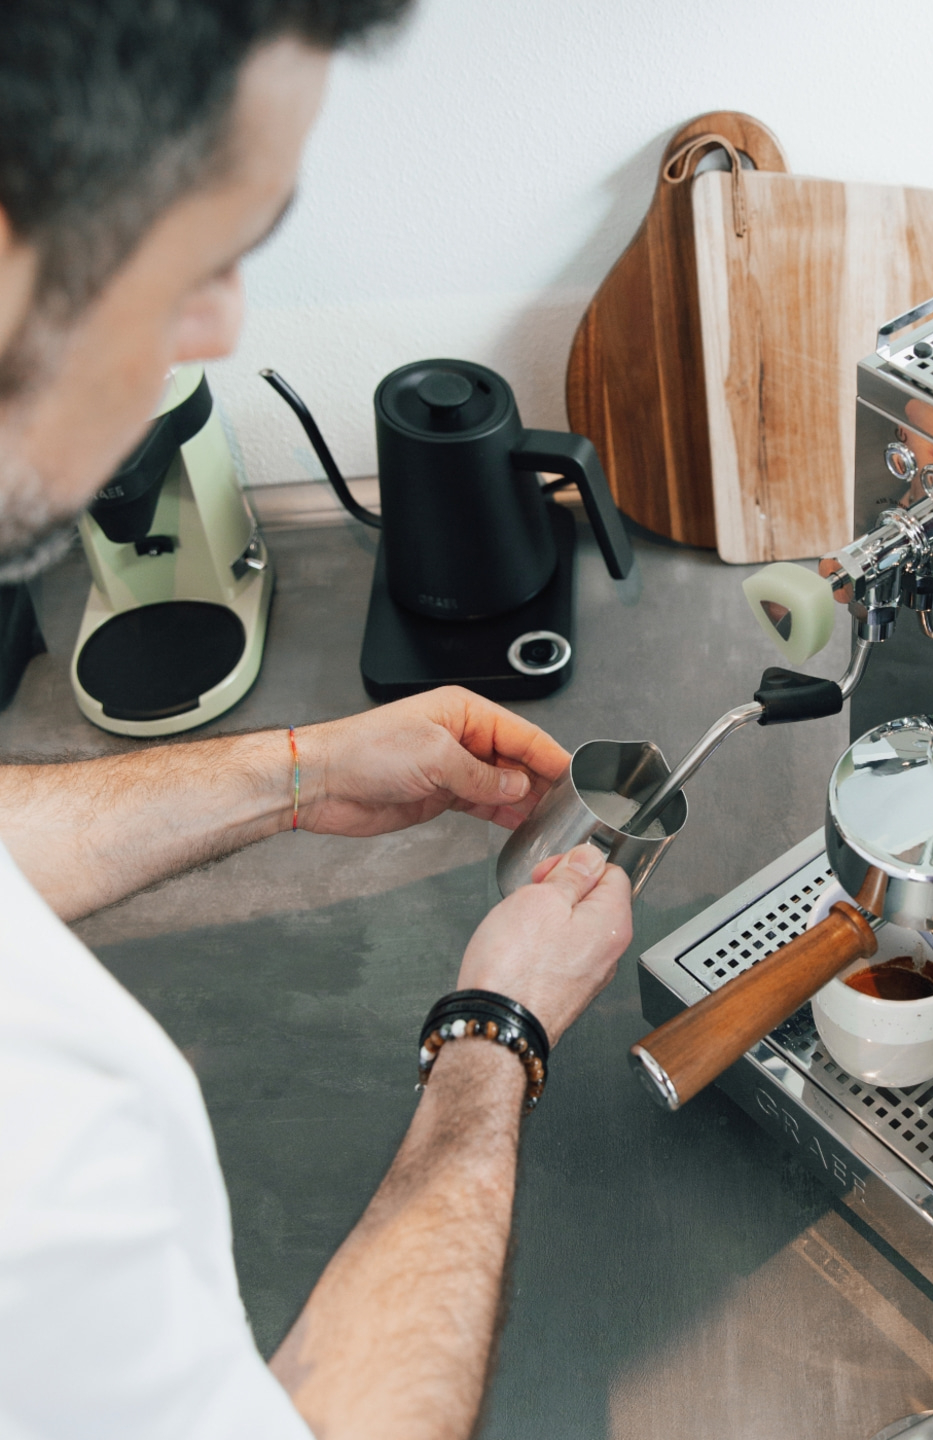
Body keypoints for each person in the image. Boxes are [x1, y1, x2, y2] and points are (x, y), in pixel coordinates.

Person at [0, 5, 634, 1437]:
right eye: (213, 245)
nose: (222, 322)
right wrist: (496, 1030)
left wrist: (291, 773)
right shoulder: (42, 1150)